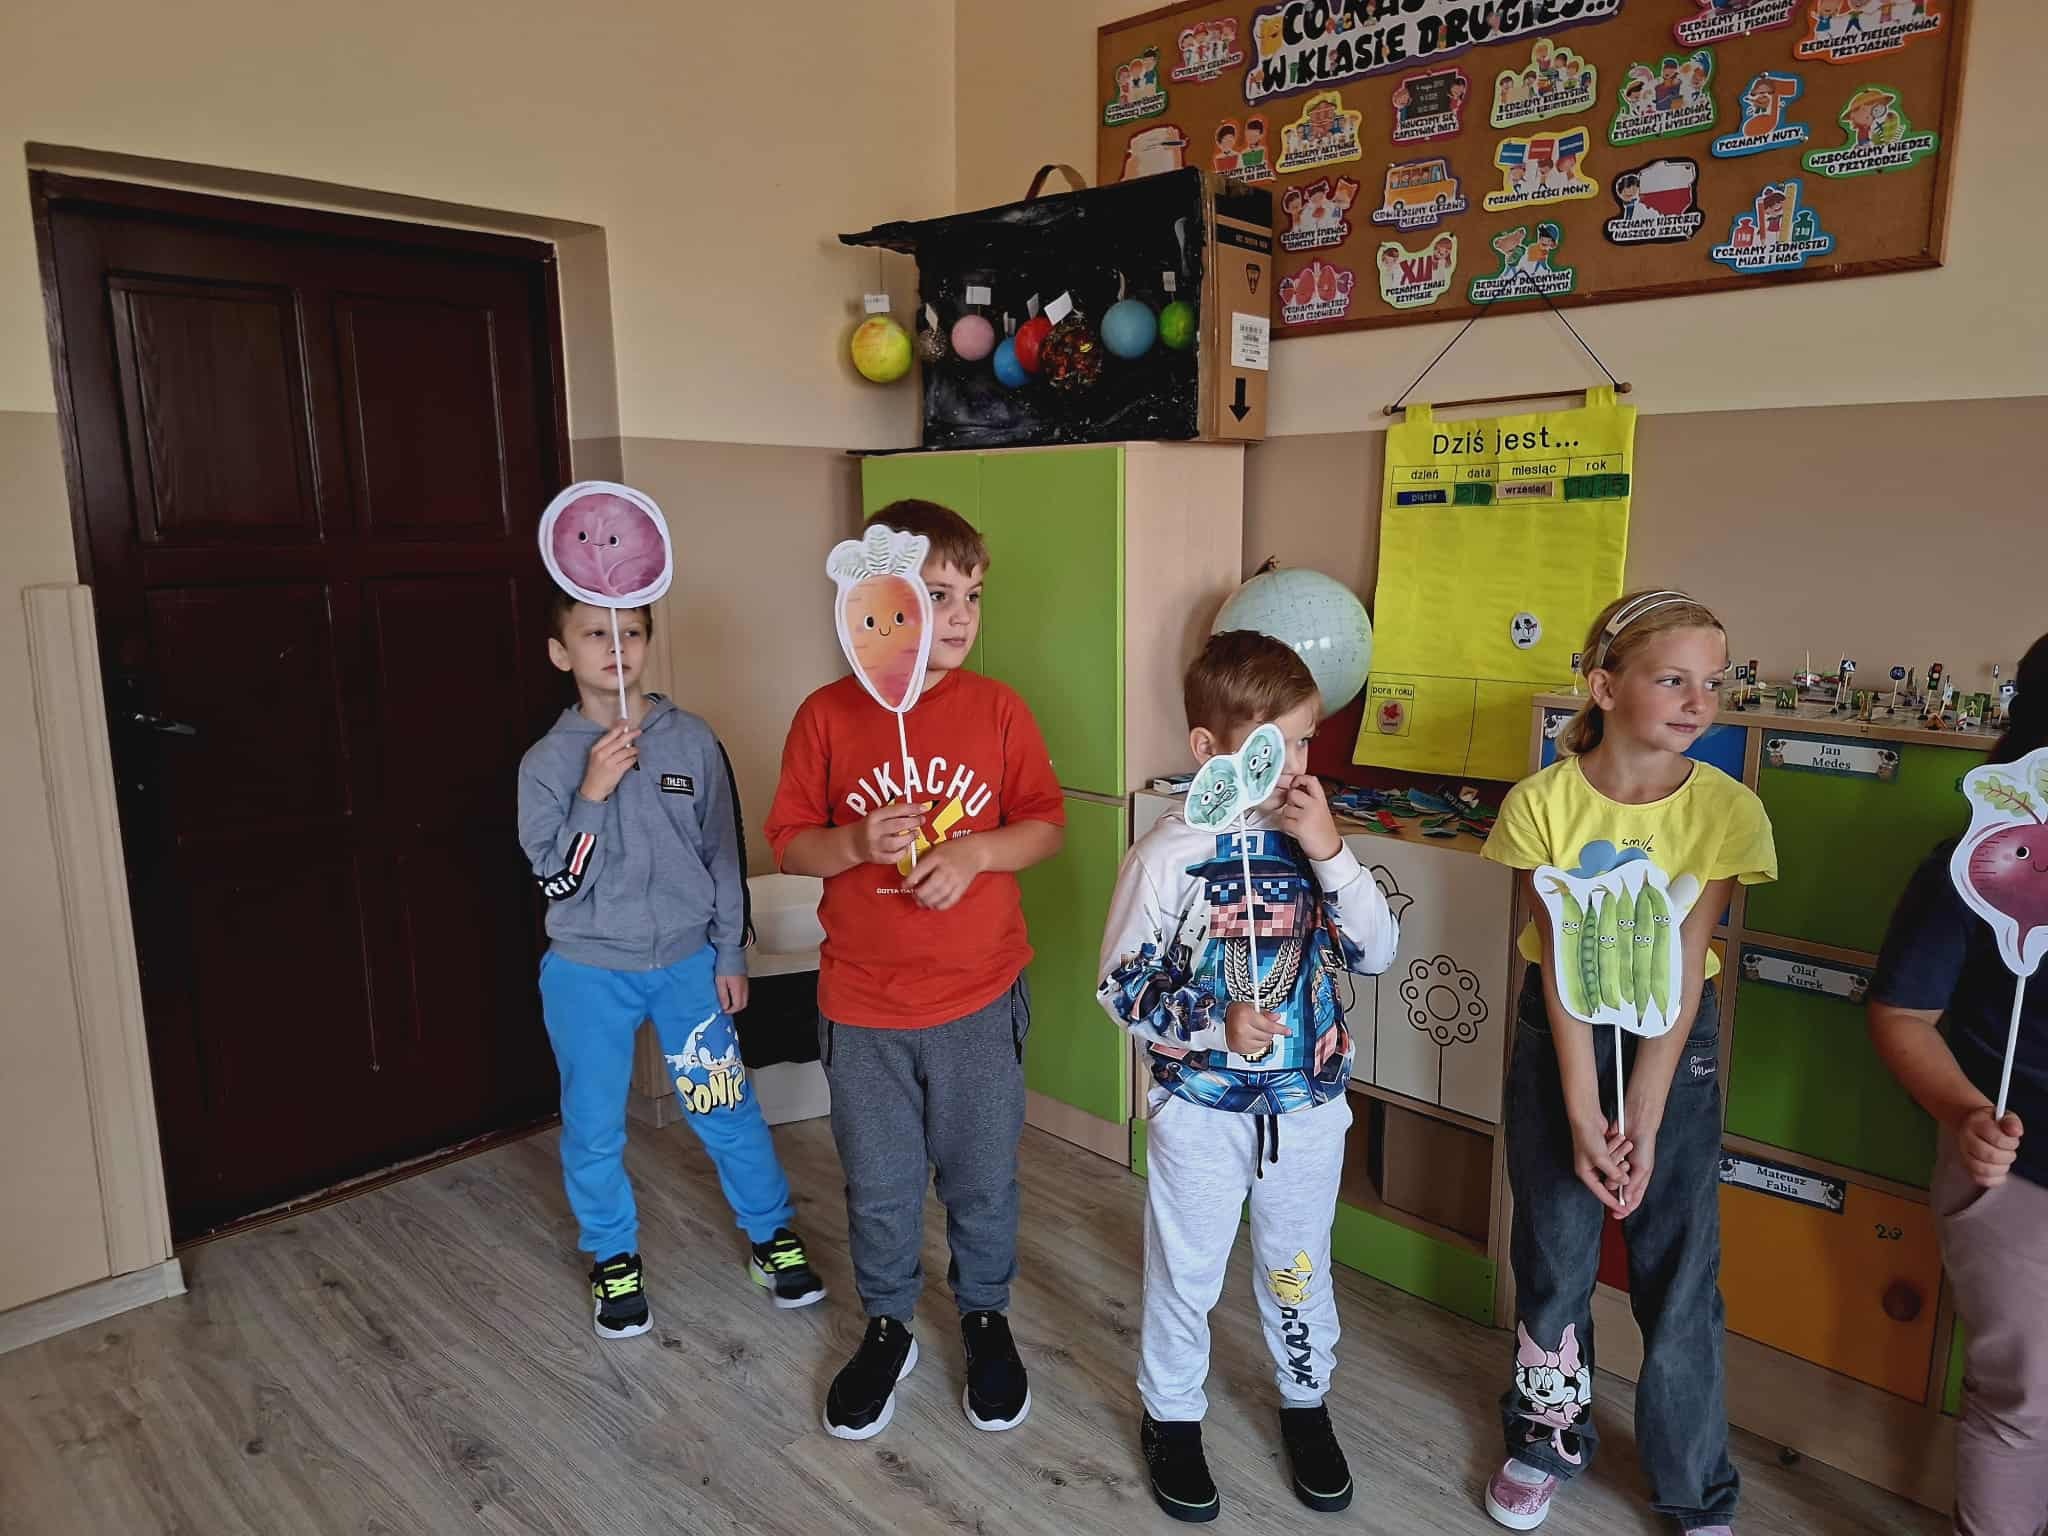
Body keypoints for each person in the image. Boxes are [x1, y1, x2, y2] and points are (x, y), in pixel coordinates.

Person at [766, 500, 1065, 1441]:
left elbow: (1044, 826)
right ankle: (889, 1324)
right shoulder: (826, 716)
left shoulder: (999, 709)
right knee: (882, 1186)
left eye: (973, 596)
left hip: (979, 1000)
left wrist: (975, 854)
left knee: (982, 1181)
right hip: (862, 1009)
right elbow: (789, 843)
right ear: (877, 603)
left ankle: (985, 1316)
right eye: (938, 595)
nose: (962, 616)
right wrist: (855, 842)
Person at [1479, 590, 1776, 1534]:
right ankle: (1545, 1438)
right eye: (1673, 679)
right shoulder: (1541, 804)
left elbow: (1685, 958)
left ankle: (1693, 1484)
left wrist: (1643, 1111)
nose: (1699, 702)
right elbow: (1558, 966)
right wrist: (1581, 1112)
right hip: (1560, 1037)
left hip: (1672, 1049)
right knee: (1555, 1253)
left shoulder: (1728, 809)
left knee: (1678, 1271)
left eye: (1713, 682)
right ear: (1604, 687)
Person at [1098, 631, 1398, 1523]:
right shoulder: (1165, 855)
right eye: (1280, 742)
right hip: (1199, 1111)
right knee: (1186, 1272)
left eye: (1306, 741)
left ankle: (1306, 1401)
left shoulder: (1312, 839)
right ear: (1209, 747)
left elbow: (1376, 951)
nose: (1298, 764)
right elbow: (1119, 985)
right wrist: (1211, 1020)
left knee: (1298, 1266)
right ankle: (1172, 1416)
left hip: (1305, 1108)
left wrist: (1331, 850)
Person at [518, 594, 824, 1340]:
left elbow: (722, 853)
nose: (615, 646)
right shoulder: (546, 763)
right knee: (593, 1124)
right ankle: (613, 1257)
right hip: (588, 974)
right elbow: (557, 882)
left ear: (647, 642)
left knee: (725, 1106)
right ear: (561, 652)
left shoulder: (691, 740)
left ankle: (772, 1237)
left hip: (688, 966)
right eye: (594, 633)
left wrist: (729, 951)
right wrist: (593, 792)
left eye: (630, 631)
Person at [1868, 632, 2048, 1536]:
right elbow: (1902, 1014)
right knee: (2026, 1401)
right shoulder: (1976, 867)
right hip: (2020, 1175)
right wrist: (1968, 1113)